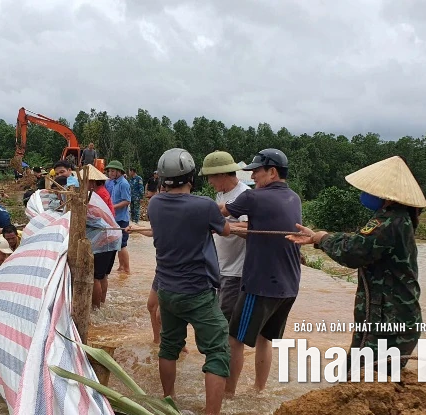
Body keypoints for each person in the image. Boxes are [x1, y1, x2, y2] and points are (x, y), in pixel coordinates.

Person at [286, 155, 426, 374]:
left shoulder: (387, 221)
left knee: (359, 376)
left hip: (385, 320)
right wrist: (319, 238)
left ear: (384, 194)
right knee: (381, 381)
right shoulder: (400, 218)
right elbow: (359, 241)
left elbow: (354, 252)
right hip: (397, 316)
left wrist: (323, 239)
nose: (365, 194)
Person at [128, 148, 231, 415]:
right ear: (191, 177)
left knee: (169, 346)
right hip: (198, 292)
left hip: (166, 290)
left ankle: (169, 400)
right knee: (218, 352)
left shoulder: (155, 204)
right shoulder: (205, 206)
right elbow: (226, 230)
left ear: (163, 179)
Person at [218, 148, 302, 397]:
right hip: (289, 285)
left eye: (256, 171)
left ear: (273, 172)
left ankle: (229, 395)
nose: (252, 177)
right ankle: (259, 391)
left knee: (235, 340)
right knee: (266, 338)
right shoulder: (294, 198)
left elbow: (220, 212)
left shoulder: (255, 197)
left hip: (261, 284)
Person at [199, 151, 250, 321]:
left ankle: (225, 349)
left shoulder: (244, 195)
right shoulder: (221, 194)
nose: (209, 182)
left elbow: (249, 228)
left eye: (210, 177)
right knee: (217, 318)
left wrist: (223, 227)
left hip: (235, 271)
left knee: (224, 321)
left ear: (221, 174)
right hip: (220, 267)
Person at [82, 166, 119, 309]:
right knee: (102, 275)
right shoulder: (97, 194)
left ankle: (96, 308)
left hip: (105, 239)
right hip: (112, 236)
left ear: (91, 182)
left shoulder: (95, 197)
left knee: (95, 276)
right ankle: (101, 305)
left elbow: (97, 218)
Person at [105, 160, 131, 274]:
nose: (110, 173)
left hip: (121, 218)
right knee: (118, 245)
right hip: (115, 217)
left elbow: (127, 201)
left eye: (112, 171)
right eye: (109, 171)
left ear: (119, 172)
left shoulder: (123, 184)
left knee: (122, 244)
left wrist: (112, 207)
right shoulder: (114, 183)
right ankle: (121, 267)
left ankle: (127, 269)